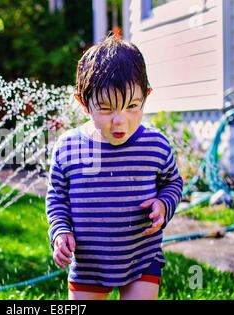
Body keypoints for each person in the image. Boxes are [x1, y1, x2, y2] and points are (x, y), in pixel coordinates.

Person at [45, 34, 183, 300]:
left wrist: (164, 204)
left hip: (142, 257)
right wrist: (60, 230)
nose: (120, 121)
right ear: (84, 103)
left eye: (132, 106)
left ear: (146, 97)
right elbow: (57, 197)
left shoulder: (155, 145)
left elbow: (173, 182)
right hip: (88, 263)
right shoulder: (69, 147)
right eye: (107, 109)